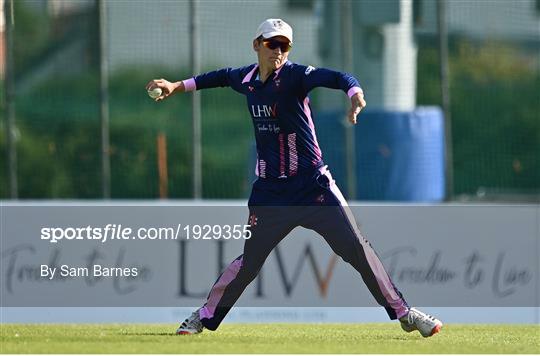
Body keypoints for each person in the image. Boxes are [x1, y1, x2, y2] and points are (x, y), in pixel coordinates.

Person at [146, 19, 442, 338]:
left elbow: (339, 77)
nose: (279, 51)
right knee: (249, 263)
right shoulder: (244, 79)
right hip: (271, 194)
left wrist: (354, 92)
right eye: (273, 44)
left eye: (285, 45)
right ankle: (202, 317)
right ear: (257, 44)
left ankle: (404, 313)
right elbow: (215, 77)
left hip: (313, 186)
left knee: (357, 247)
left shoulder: (296, 76)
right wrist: (177, 86)